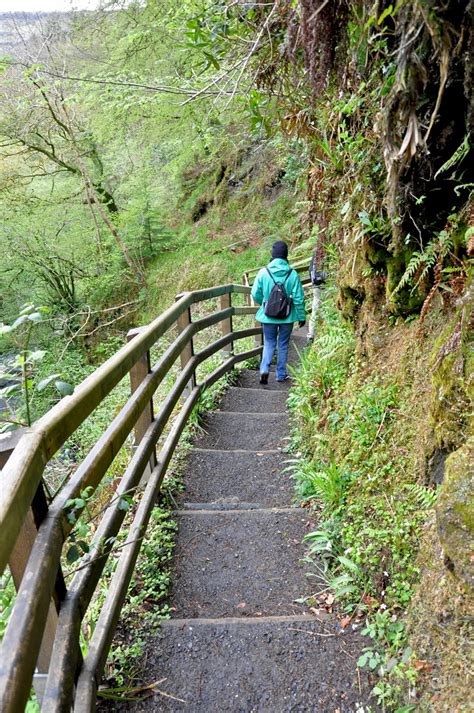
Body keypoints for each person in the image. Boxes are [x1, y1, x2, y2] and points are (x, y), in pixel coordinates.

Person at [251, 240, 306, 384]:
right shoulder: (292, 274)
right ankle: (281, 374)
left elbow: (255, 293)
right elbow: (299, 298)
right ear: (286, 255)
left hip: (268, 316)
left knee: (269, 343)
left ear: (273, 255)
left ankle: (264, 370)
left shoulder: (263, 272)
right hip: (287, 317)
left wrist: (264, 303)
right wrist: (301, 316)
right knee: (282, 344)